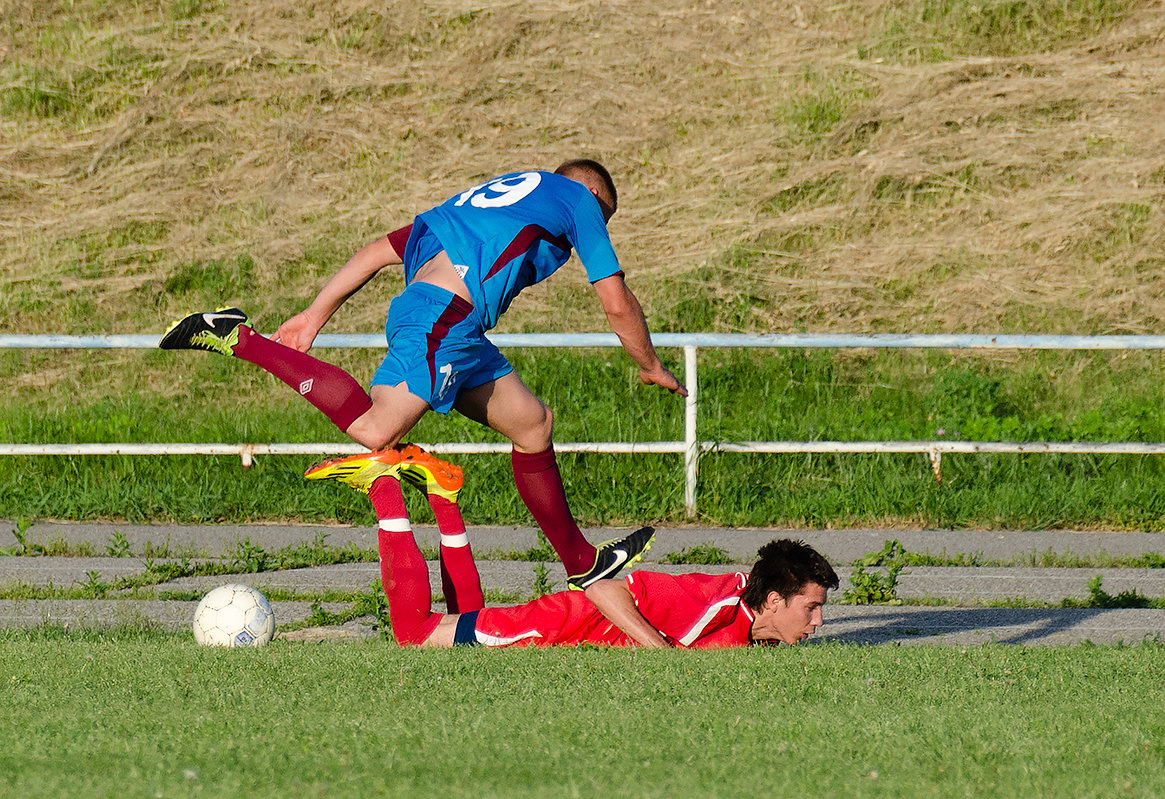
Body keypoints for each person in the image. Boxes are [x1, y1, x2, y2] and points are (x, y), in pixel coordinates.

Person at [159, 159, 685, 591]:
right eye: (603, 217)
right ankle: (238, 339)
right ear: (591, 193)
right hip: (443, 322)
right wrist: (650, 365)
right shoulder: (578, 200)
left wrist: (313, 316)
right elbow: (616, 303)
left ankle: (580, 562)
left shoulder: (479, 201)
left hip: (448, 323)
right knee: (375, 431)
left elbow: (374, 253)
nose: (588, 236)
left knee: (532, 424)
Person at [305, 449, 840, 649]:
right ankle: (384, 488)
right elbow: (601, 585)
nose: (818, 621)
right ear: (773, 601)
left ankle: (444, 497)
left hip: (566, 624)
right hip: (560, 624)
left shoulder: (751, 626)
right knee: (412, 635)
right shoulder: (712, 604)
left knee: (463, 618)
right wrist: (659, 653)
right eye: (812, 607)